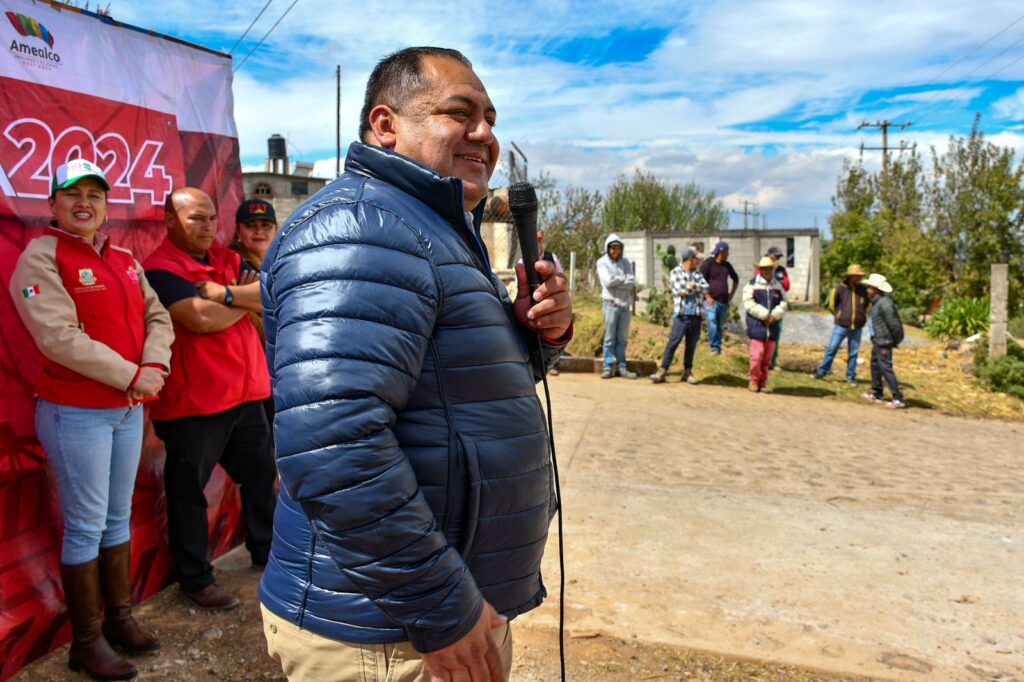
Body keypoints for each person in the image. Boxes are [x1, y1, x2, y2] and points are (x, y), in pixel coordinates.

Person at [257, 47, 572, 682]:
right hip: (390, 628)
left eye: (490, 118)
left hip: (430, 612)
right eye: (459, 113)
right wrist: (440, 607)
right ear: (386, 125)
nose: (484, 133)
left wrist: (538, 335)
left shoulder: (427, 225)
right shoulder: (361, 226)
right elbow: (332, 444)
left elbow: (455, 390)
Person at [9, 159, 174, 680]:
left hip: (126, 410)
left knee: (115, 518)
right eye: (73, 194)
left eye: (95, 195)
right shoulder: (40, 257)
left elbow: (158, 316)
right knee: (85, 526)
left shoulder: (123, 258)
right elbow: (57, 337)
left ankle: (119, 620)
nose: (85, 203)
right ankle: (86, 641)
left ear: (106, 205)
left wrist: (154, 365)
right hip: (75, 412)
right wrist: (132, 375)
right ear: (53, 204)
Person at [142, 187, 277, 611]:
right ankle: (195, 579)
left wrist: (223, 294)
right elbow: (198, 319)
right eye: (195, 218)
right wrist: (240, 299)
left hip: (247, 393)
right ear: (169, 220)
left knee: (261, 477)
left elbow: (270, 294)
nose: (206, 226)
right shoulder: (160, 268)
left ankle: (267, 551)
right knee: (188, 493)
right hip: (194, 403)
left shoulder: (225, 259)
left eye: (211, 218)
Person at [651, 247, 709, 384]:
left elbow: (706, 288)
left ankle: (687, 372)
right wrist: (693, 288)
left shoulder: (698, 274)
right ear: (690, 259)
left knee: (691, 344)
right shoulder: (676, 272)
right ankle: (663, 370)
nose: (698, 261)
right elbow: (681, 291)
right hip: (682, 315)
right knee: (673, 342)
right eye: (696, 259)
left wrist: (693, 286)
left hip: (696, 314)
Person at [812, 264, 870, 384]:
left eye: (860, 276)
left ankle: (851, 376)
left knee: (853, 353)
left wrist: (860, 316)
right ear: (850, 276)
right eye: (856, 276)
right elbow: (831, 305)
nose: (859, 278)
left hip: (857, 327)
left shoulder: (863, 290)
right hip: (841, 325)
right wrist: (839, 315)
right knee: (832, 348)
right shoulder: (839, 289)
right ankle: (822, 371)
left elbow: (866, 305)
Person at [743, 256, 788, 393]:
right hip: (757, 325)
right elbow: (748, 303)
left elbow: (784, 303)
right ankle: (753, 380)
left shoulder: (778, 286)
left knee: (767, 358)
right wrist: (765, 315)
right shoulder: (751, 284)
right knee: (756, 356)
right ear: (760, 270)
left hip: (772, 327)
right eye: (765, 269)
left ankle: (763, 382)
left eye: (769, 269)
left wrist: (774, 315)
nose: (767, 271)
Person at [861, 274, 906, 409]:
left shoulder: (885, 304)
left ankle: (898, 398)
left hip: (884, 341)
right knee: (875, 366)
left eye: (869, 287)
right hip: (878, 340)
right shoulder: (876, 303)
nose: (867, 290)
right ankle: (877, 393)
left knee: (885, 368)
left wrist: (894, 340)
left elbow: (895, 325)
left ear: (876, 289)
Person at [597, 233, 636, 379]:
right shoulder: (602, 262)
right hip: (611, 303)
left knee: (622, 339)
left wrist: (617, 281)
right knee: (609, 338)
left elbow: (632, 281)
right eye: (612, 248)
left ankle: (622, 367)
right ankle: (608, 367)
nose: (615, 251)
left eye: (618, 248)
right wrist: (623, 279)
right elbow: (607, 282)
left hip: (625, 305)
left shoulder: (626, 262)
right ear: (608, 249)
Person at [699, 241, 739, 355]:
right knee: (712, 321)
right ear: (721, 252)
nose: (728, 254)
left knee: (719, 325)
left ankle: (718, 347)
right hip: (710, 300)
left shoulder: (727, 265)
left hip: (723, 301)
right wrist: (707, 296)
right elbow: (701, 281)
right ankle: (714, 347)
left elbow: (736, 279)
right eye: (727, 252)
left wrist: (731, 294)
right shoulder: (707, 264)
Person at [764, 246, 790, 369]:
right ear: (769, 255)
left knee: (775, 335)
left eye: (779, 257)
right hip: (764, 306)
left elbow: (787, 285)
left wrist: (781, 283)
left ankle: (771, 362)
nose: (777, 259)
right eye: (776, 256)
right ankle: (761, 360)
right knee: (762, 335)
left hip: (777, 306)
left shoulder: (781, 270)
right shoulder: (762, 267)